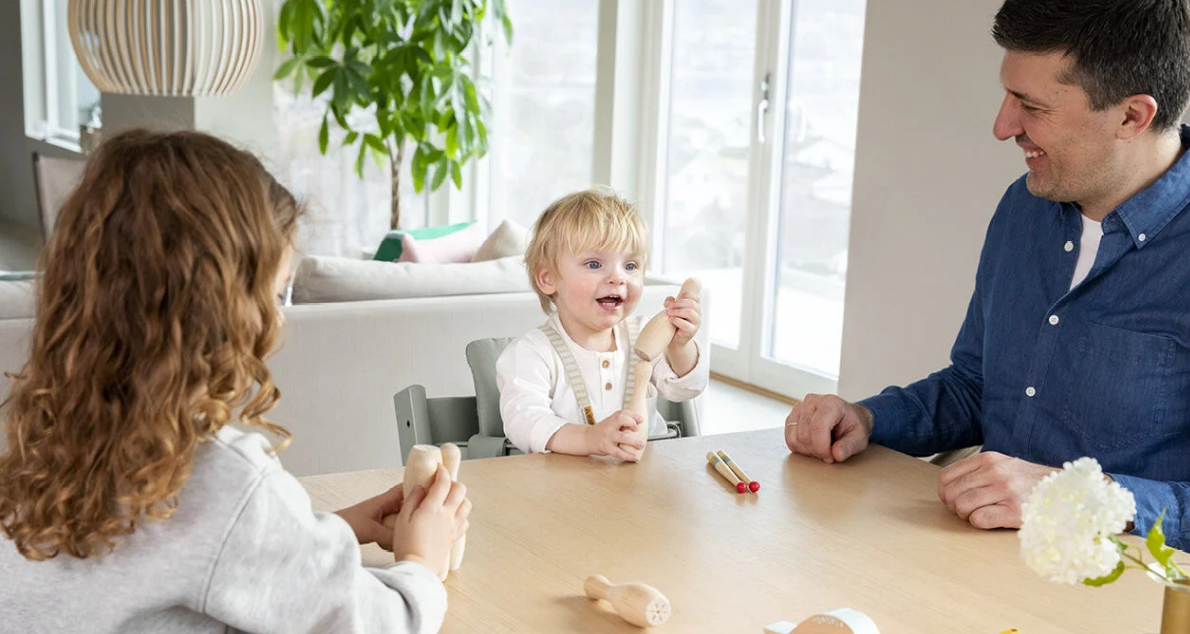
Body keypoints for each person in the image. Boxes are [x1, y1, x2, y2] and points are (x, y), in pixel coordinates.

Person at [0, 129, 471, 633]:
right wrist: (422, 561)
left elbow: (174, 560)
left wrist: (332, 529)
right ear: (225, 311)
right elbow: (381, 624)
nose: (279, 318)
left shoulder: (31, 437)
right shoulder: (220, 482)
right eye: (276, 293)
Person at [785, 0, 1190, 551]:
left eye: (1032, 106)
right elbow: (978, 388)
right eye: (1008, 96)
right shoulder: (1024, 208)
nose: (1003, 127)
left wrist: (1072, 497)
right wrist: (867, 419)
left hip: (1127, 587)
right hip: (976, 559)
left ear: (1131, 116)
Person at [497, 188, 709, 460]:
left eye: (630, 266)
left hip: (642, 477)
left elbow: (686, 389)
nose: (618, 277)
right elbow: (524, 421)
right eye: (594, 264)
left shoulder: (645, 336)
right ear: (548, 278)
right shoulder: (531, 351)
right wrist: (588, 438)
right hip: (564, 482)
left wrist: (680, 345)